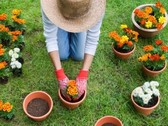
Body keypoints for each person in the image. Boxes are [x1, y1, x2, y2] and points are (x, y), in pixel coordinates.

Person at [40, 0, 106, 101]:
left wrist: (84, 75)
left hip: (81, 17)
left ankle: (78, 27)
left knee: (79, 55)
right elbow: (50, 38)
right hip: (59, 16)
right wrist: (60, 74)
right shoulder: (48, 6)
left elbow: (92, 39)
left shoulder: (97, 8)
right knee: (62, 55)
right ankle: (63, 27)